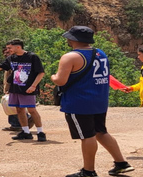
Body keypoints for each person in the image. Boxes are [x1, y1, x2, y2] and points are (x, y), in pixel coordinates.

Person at [51, 26, 134, 177]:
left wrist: (53, 77)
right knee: (101, 132)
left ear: (73, 39)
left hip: (79, 102)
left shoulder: (70, 57)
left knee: (87, 136)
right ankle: (121, 163)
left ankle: (88, 171)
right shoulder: (100, 53)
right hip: (99, 101)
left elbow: (60, 81)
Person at [0, 39, 46, 142]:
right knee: (19, 110)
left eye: (10, 47)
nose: (8, 50)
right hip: (15, 88)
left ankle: (40, 132)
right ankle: (26, 132)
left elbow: (41, 73)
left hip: (28, 89)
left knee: (31, 110)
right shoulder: (11, 58)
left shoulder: (32, 57)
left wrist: (33, 86)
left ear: (18, 47)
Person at [0, 45, 35, 132]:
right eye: (5, 53)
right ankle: (15, 124)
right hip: (11, 87)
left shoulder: (16, 61)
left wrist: (9, 88)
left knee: (14, 106)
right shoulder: (10, 61)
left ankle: (22, 121)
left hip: (15, 87)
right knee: (10, 106)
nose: (6, 54)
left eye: (8, 52)